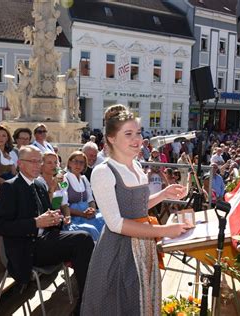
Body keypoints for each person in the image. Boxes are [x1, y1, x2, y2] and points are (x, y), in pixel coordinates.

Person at [81, 104, 191, 315]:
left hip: (144, 245)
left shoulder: (137, 166)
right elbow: (116, 223)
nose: (137, 139)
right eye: (128, 134)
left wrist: (163, 195)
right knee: (121, 304)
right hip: (119, 250)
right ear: (111, 138)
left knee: (142, 301)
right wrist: (165, 231)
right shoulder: (103, 171)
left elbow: (136, 209)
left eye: (138, 133)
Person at [0, 145, 94, 314]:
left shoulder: (40, 184)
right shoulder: (10, 187)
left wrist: (56, 218)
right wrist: (35, 223)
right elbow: (1, 226)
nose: (37, 165)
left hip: (44, 240)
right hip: (26, 248)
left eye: (39, 161)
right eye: (33, 161)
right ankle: (87, 302)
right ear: (20, 164)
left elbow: (53, 209)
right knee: (82, 239)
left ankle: (86, 300)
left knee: (85, 239)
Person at [64, 151, 104, 242]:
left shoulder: (84, 178)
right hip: (74, 217)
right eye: (75, 161)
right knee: (91, 229)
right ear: (69, 163)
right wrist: (83, 214)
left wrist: (92, 210)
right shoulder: (63, 179)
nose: (78, 165)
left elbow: (90, 200)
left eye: (81, 162)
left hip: (88, 215)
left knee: (105, 221)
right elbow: (63, 205)